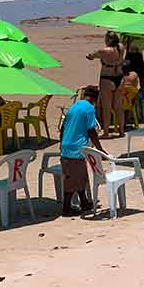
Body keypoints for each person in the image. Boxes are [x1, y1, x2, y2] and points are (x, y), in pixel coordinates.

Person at [59, 86, 105, 216]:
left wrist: (62, 144)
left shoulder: (73, 107)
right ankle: (66, 208)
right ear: (94, 98)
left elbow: (63, 128)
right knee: (72, 180)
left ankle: (84, 202)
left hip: (66, 146)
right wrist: (100, 149)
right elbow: (91, 130)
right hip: (76, 147)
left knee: (80, 176)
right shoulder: (89, 108)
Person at [86, 31, 126, 139]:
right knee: (119, 107)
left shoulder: (104, 51)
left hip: (107, 79)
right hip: (120, 77)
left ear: (108, 39)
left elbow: (91, 56)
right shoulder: (121, 47)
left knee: (106, 108)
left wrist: (91, 55)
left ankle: (106, 132)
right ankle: (122, 131)